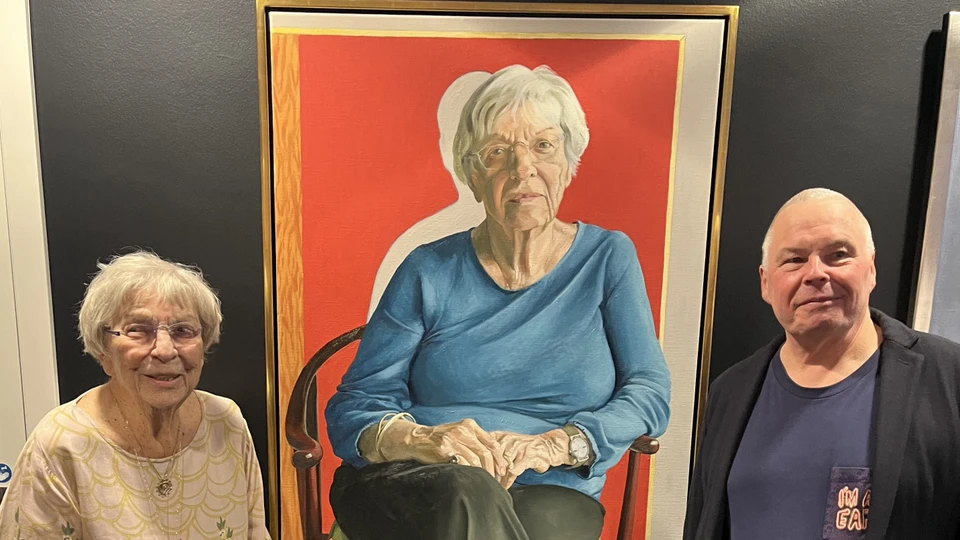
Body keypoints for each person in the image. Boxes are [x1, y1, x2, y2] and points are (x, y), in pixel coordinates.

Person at [325, 64, 671, 540]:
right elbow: (355, 405)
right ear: (472, 174)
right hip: (416, 482)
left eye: (543, 146)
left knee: (508, 516)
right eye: (497, 153)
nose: (522, 168)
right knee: (467, 493)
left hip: (552, 486)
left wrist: (560, 443)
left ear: (568, 162)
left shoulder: (607, 258)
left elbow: (649, 391)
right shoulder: (427, 269)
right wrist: (425, 440)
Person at [684, 188, 960, 539]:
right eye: (794, 260)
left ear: (871, 269)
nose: (815, 273)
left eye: (838, 255)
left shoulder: (949, 380)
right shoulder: (729, 392)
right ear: (766, 283)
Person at [0, 252, 270, 539]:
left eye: (182, 331)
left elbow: (255, 531)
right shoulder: (60, 444)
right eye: (138, 330)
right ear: (103, 351)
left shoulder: (226, 422)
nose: (165, 350)